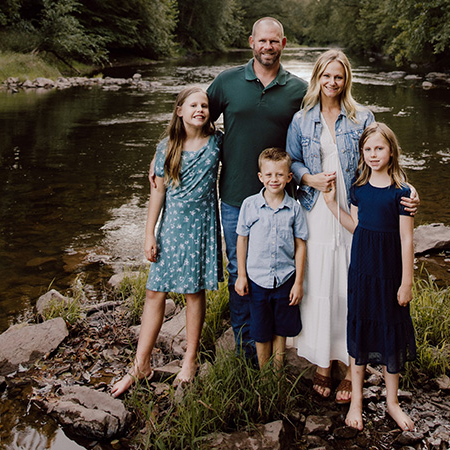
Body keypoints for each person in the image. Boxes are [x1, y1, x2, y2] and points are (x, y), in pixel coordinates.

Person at [151, 17, 307, 361]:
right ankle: (246, 349)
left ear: (283, 44)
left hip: (280, 198)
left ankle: (274, 344)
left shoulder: (298, 90)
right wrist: (163, 156)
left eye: (275, 41)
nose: (268, 47)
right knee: (241, 272)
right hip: (236, 196)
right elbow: (195, 118)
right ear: (251, 42)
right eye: (262, 40)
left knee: (279, 270)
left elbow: (312, 135)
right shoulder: (227, 82)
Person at [285, 49, 418, 404]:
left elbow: (383, 157)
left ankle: (349, 361)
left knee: (352, 282)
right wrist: (308, 178)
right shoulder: (301, 119)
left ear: (347, 80)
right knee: (320, 281)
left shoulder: (362, 117)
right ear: (317, 78)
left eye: (338, 77)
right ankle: (323, 363)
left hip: (353, 205)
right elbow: (292, 161)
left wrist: (409, 189)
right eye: (326, 76)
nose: (332, 82)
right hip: (318, 205)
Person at [112, 86, 223, 397]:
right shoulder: (166, 148)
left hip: (201, 226)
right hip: (172, 227)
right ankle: (141, 364)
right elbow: (157, 192)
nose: (199, 110)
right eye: (193, 105)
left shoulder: (217, 143)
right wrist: (149, 233)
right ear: (179, 111)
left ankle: (190, 359)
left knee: (193, 292)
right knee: (154, 291)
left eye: (204, 105)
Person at [323, 122, 417, 431]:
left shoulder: (401, 192)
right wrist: (331, 206)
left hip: (390, 272)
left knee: (391, 330)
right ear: (362, 154)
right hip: (363, 270)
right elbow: (356, 226)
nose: (373, 154)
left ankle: (392, 402)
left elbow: (406, 239)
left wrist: (406, 282)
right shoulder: (359, 188)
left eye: (379, 148)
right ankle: (356, 401)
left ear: (391, 152)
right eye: (368, 149)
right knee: (360, 330)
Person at [235, 148, 308, 369]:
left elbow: (300, 245)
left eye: (279, 175)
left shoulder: (294, 209)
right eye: (268, 175)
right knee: (260, 329)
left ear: (288, 178)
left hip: (285, 279)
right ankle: (264, 373)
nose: (273, 179)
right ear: (261, 177)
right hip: (258, 280)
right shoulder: (250, 205)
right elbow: (242, 240)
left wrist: (298, 283)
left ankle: (276, 375)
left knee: (281, 329)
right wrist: (241, 275)